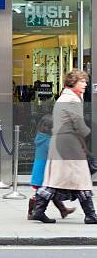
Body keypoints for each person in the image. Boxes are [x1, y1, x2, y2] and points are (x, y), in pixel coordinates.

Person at [33, 70, 97, 224]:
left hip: (61, 143)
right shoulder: (72, 100)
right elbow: (79, 125)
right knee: (80, 178)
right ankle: (90, 215)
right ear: (73, 82)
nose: (85, 84)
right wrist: (89, 132)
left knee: (55, 179)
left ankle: (39, 210)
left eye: (85, 81)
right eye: (82, 81)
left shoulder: (65, 97)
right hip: (69, 145)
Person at [27, 114, 75, 220]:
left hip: (41, 171)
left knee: (50, 192)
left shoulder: (41, 138)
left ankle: (63, 210)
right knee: (42, 193)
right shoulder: (48, 141)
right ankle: (31, 213)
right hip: (43, 172)